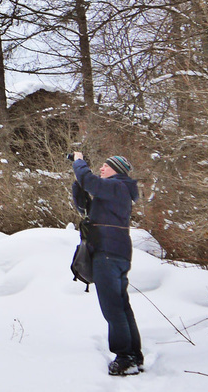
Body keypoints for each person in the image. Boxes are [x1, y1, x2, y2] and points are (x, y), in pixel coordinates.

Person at [71, 152, 143, 376]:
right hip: (116, 253)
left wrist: (79, 162)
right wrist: (78, 183)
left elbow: (89, 180)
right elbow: (85, 206)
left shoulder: (117, 186)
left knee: (112, 308)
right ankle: (134, 355)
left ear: (116, 170)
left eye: (105, 166)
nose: (101, 169)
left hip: (108, 253)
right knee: (121, 306)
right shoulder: (116, 191)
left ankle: (125, 358)